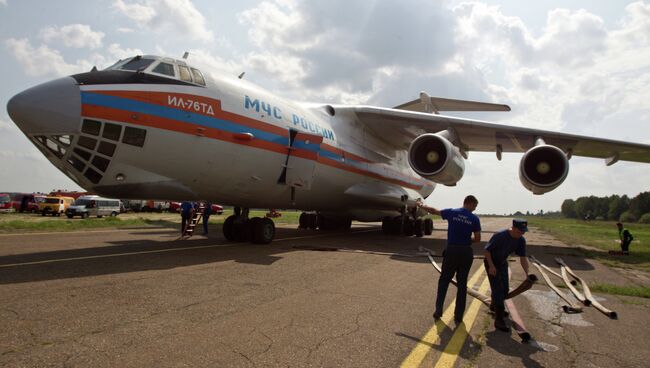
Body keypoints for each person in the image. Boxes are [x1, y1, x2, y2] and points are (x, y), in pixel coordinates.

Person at [418, 195, 481, 323]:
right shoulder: (474, 219)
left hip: (452, 250)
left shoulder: (452, 212)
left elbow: (434, 211)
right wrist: (467, 240)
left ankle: (438, 309)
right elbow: (478, 238)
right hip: (466, 252)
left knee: (444, 281)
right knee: (462, 284)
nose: (474, 209)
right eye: (474, 206)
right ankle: (458, 316)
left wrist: (421, 205)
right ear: (469, 203)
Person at [484, 219, 530, 332]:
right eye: (519, 231)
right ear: (513, 228)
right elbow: (487, 251)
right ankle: (499, 321)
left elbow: (523, 258)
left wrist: (527, 274)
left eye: (523, 232)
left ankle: (494, 306)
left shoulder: (521, 240)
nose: (521, 234)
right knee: (498, 291)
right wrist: (491, 266)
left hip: (503, 263)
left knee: (505, 290)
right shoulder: (500, 236)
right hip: (491, 262)